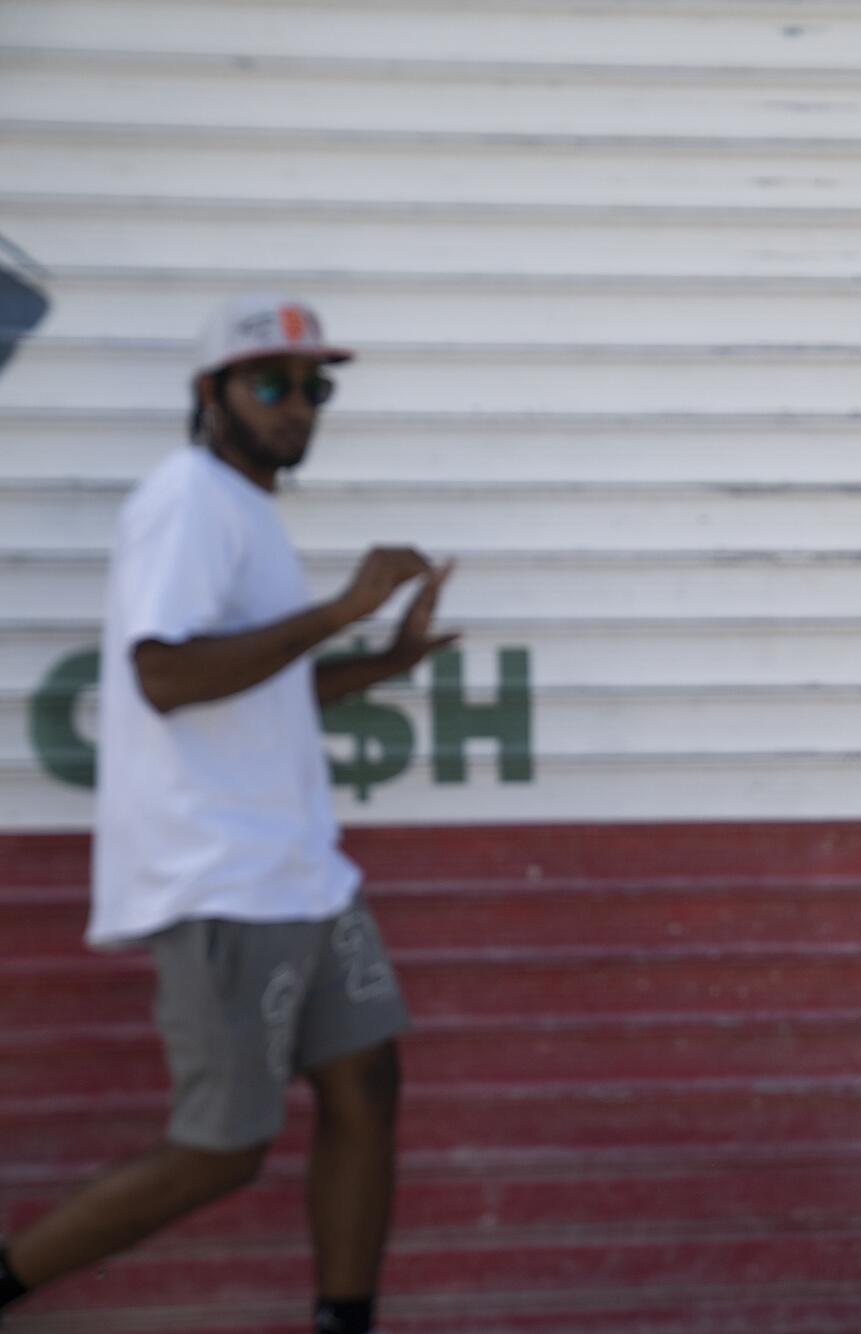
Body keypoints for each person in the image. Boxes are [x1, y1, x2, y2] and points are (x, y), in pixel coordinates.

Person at [0, 295, 455, 1334]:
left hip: (299, 870)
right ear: (210, 396)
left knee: (368, 1082)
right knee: (222, 1146)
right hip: (222, 878)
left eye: (313, 386)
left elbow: (255, 687)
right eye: (269, 382)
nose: (297, 406)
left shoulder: (244, 510)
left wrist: (384, 659)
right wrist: (342, 610)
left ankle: (344, 1318)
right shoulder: (188, 498)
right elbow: (163, 674)